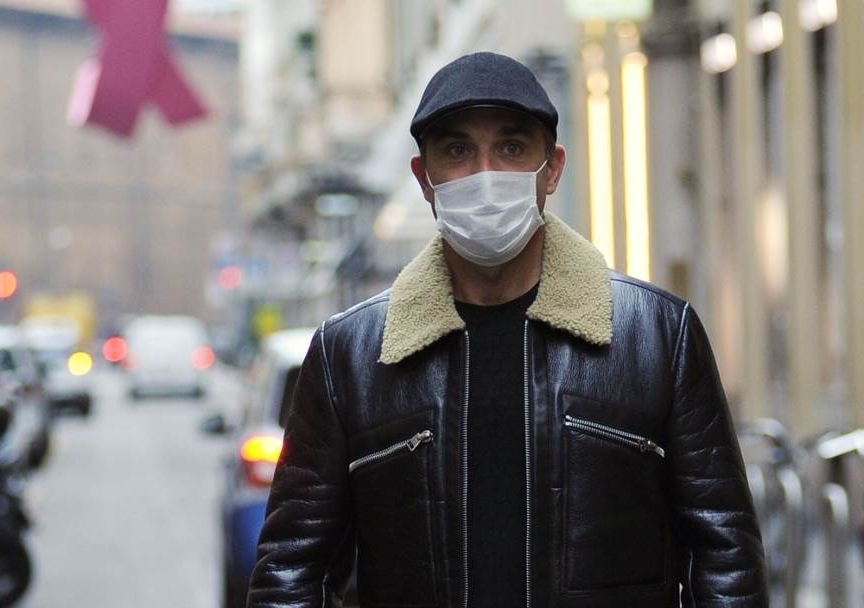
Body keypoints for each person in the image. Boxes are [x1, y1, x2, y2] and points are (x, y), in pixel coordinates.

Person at [248, 51, 768, 607]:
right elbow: (292, 571)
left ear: (553, 169)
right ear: (424, 179)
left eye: (512, 148)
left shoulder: (656, 336)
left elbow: (725, 558)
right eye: (458, 151)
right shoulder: (351, 356)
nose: (486, 175)